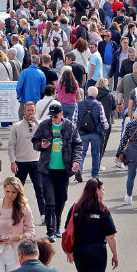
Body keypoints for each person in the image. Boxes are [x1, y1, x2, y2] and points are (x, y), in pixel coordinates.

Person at [32, 102, 82, 242]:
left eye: (55, 116)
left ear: (61, 114)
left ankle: (57, 227)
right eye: (51, 116)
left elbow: (78, 145)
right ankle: (50, 230)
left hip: (63, 170)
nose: (53, 119)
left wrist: (76, 160)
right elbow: (35, 141)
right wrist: (41, 145)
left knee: (61, 199)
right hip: (46, 169)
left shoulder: (69, 126)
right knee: (50, 201)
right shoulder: (44, 125)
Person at [9, 102, 46, 212]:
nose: (30, 113)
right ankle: (16, 211)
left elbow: (46, 135)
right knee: (17, 190)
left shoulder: (40, 125)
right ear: (24, 111)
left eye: (32, 110)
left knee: (39, 189)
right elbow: (11, 145)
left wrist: (36, 122)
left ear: (35, 111)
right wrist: (13, 161)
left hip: (36, 162)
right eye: (28, 110)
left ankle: (43, 214)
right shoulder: (17, 126)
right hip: (20, 162)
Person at [74, 86, 108, 180]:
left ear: (87, 93)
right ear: (96, 95)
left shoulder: (79, 104)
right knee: (96, 154)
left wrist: (75, 132)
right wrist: (106, 127)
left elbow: (74, 120)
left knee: (82, 153)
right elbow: (103, 120)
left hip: (82, 132)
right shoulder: (99, 105)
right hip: (96, 133)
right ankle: (94, 175)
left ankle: (79, 168)